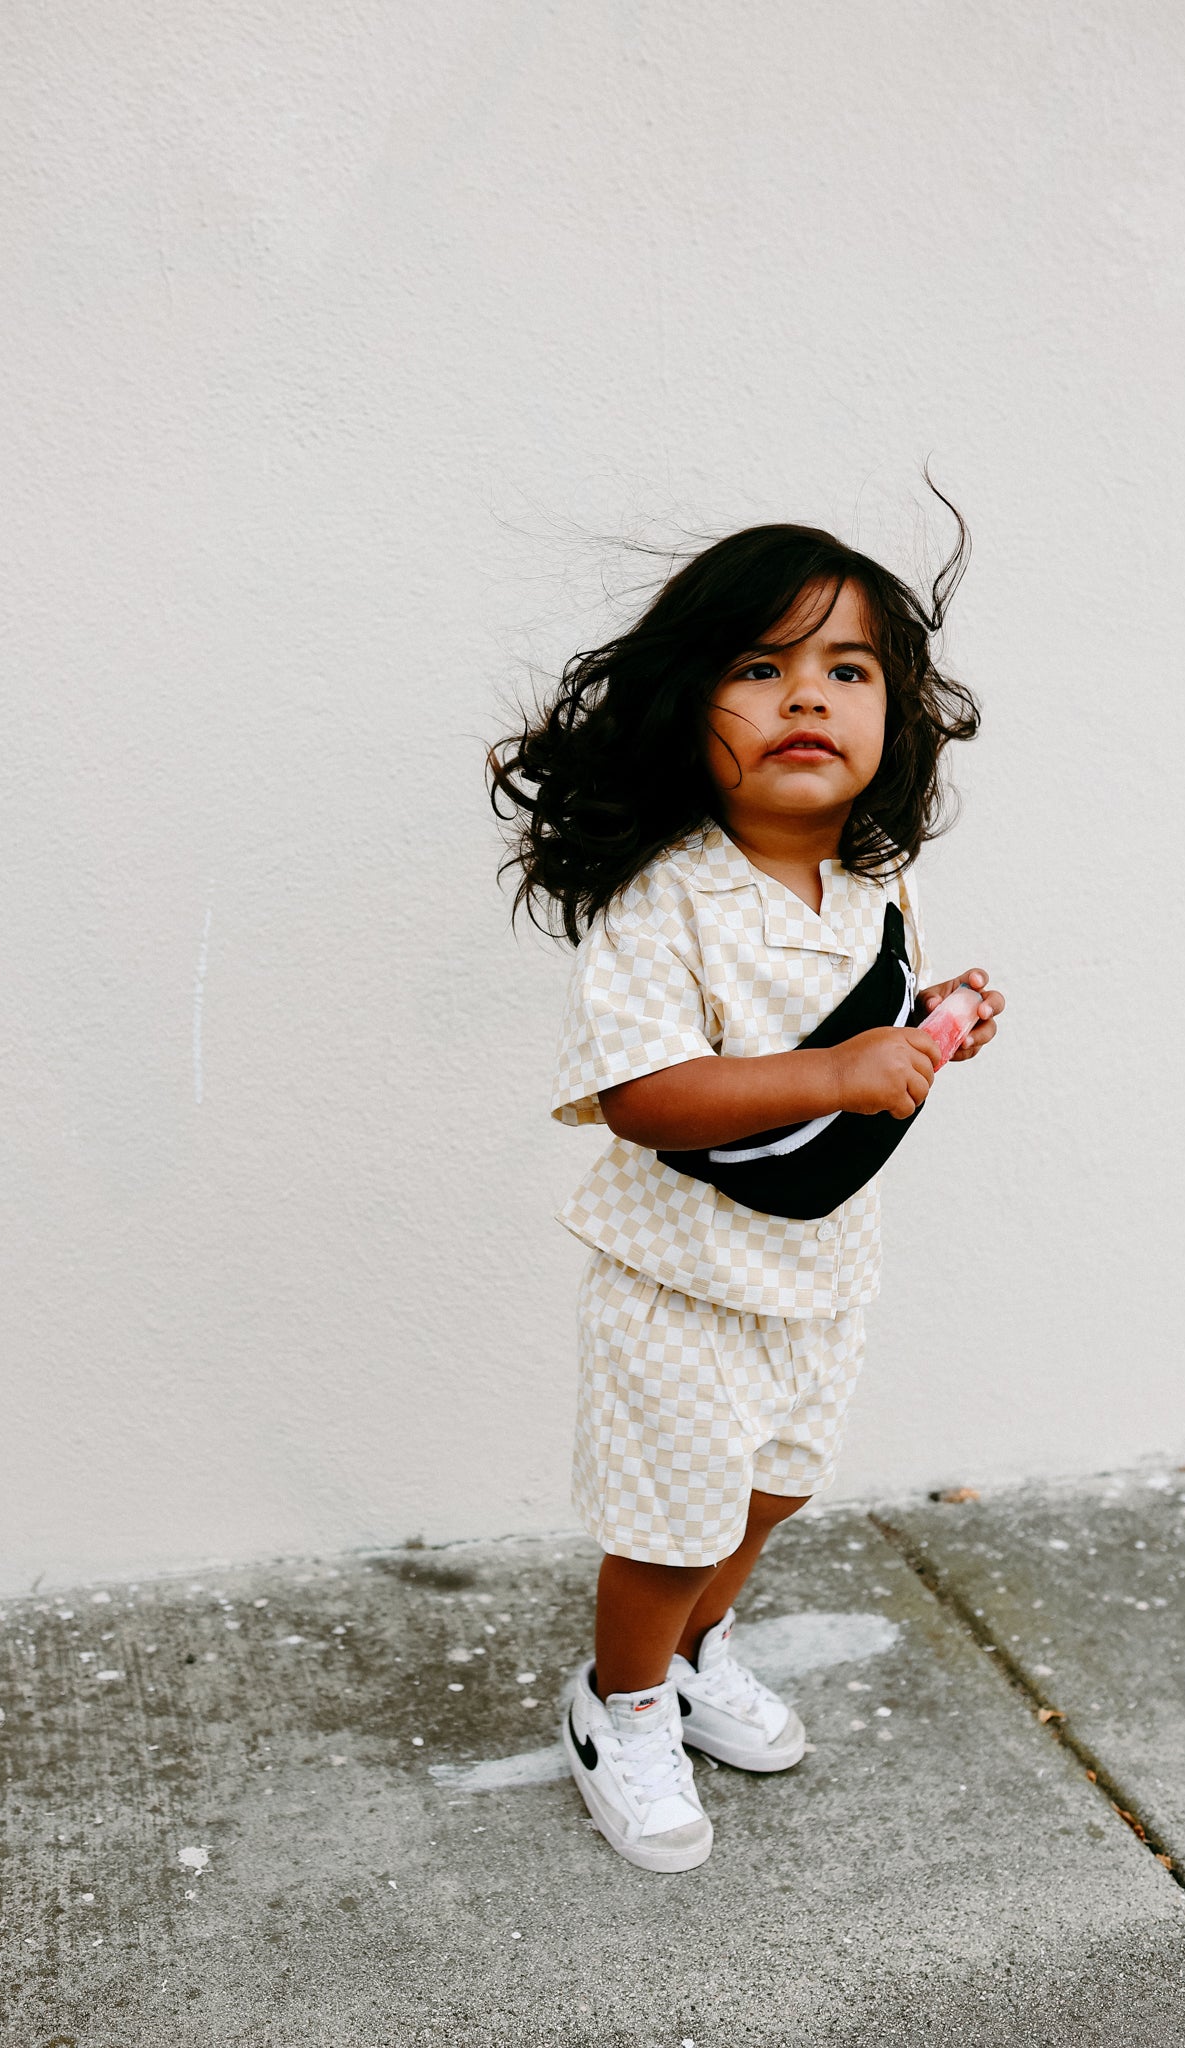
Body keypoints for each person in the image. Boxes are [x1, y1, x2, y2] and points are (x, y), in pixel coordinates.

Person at [489, 511, 1005, 1872]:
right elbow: (648, 1097)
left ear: (894, 716)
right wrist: (837, 1070)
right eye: (758, 668)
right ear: (684, 704)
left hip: (818, 1273)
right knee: (667, 1528)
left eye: (845, 671)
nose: (804, 698)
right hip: (684, 1286)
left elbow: (855, 1047)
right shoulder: (665, 899)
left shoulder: (872, 886)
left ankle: (700, 1650)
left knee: (769, 1496)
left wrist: (932, 1019)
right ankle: (625, 1700)